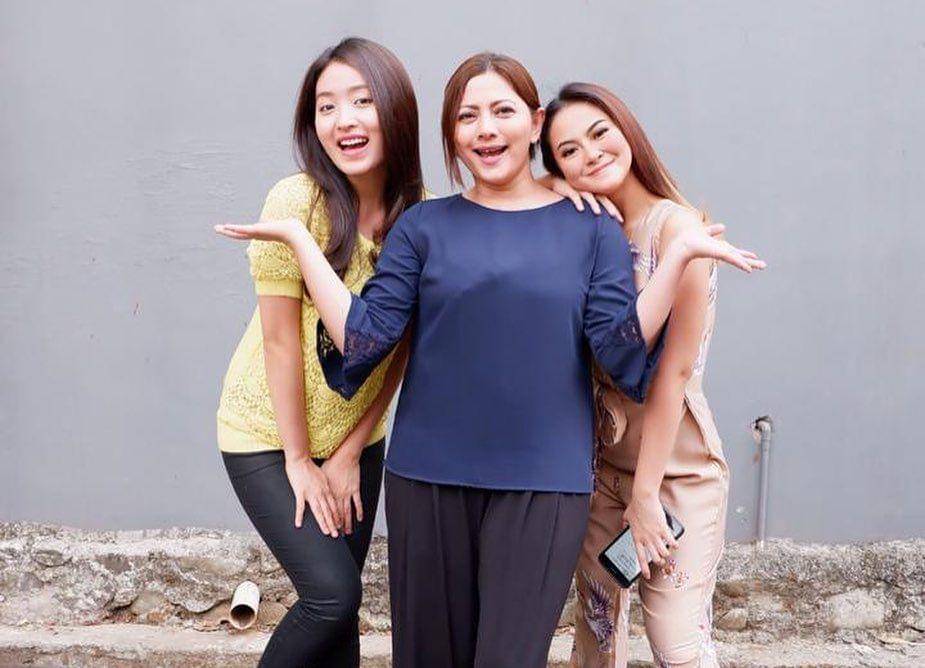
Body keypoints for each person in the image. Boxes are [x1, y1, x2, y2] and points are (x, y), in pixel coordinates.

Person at [216, 52, 763, 668]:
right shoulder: (423, 225)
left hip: (543, 485)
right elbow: (365, 339)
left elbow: (620, 348)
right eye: (467, 116)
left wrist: (680, 257)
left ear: (534, 124)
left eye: (502, 111)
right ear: (451, 135)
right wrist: (300, 242)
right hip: (427, 480)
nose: (486, 129)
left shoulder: (592, 230)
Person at [215, 37, 423, 667]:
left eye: (361, 101)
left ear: (394, 109)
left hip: (357, 439)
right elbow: (280, 340)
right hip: (267, 434)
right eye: (326, 106)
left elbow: (400, 350)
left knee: (341, 622)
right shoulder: (296, 202)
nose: (343, 120)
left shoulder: (416, 216)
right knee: (331, 597)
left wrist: (353, 449)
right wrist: (301, 459)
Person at [541, 82, 742, 667]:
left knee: (677, 641)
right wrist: (554, 185)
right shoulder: (585, 227)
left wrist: (647, 496)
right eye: (568, 151)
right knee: (596, 638)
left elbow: (673, 375)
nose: (590, 154)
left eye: (599, 134)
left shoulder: (678, 232)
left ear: (627, 130)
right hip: (601, 472)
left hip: (675, 474)